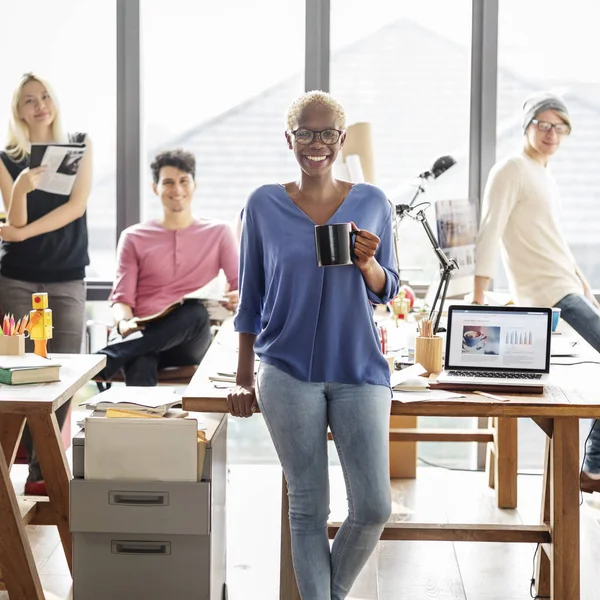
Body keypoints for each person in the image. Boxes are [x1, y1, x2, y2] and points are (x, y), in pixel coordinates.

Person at [227, 91, 399, 600]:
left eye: (327, 133)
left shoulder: (372, 201)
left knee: (373, 506)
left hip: (358, 368)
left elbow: (389, 288)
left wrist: (367, 263)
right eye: (306, 132)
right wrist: (242, 377)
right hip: (285, 370)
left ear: (341, 140)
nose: (316, 143)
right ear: (290, 139)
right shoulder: (262, 204)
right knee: (308, 505)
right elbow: (251, 296)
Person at [473, 91, 600, 493]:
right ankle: (593, 469)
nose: (551, 133)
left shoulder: (544, 174)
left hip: (566, 287)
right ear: (527, 126)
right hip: (547, 296)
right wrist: (478, 300)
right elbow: (489, 232)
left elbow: (554, 239)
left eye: (558, 126)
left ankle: (593, 469)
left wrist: (584, 285)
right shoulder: (511, 168)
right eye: (543, 124)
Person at [0, 72, 92, 496]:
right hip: (18, 276)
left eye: (44, 97)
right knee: (23, 372)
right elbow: (13, 221)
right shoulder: (6, 158)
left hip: (67, 275)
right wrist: (19, 187)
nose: (39, 105)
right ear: (18, 111)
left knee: (63, 372)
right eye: (29, 100)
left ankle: (43, 469)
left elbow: (76, 208)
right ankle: (20, 470)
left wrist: (19, 233)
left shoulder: (78, 144)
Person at [96, 149, 239, 386]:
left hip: (189, 340)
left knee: (194, 313)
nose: (177, 190)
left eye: (184, 181)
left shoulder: (219, 232)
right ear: (155, 188)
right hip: (142, 331)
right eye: (168, 182)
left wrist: (235, 299)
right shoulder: (133, 237)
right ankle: (142, 421)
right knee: (140, 357)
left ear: (194, 185)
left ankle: (107, 357)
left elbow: (240, 288)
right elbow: (122, 299)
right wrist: (124, 322)